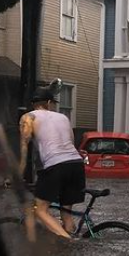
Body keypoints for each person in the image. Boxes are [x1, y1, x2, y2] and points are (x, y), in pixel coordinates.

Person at [19, 87, 85, 240]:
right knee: (66, 215)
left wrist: (15, 177)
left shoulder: (27, 118)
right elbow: (71, 143)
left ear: (32, 103)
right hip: (76, 164)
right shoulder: (63, 117)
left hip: (55, 165)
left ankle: (69, 242)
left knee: (40, 210)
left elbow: (24, 151)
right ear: (48, 103)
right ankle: (69, 252)